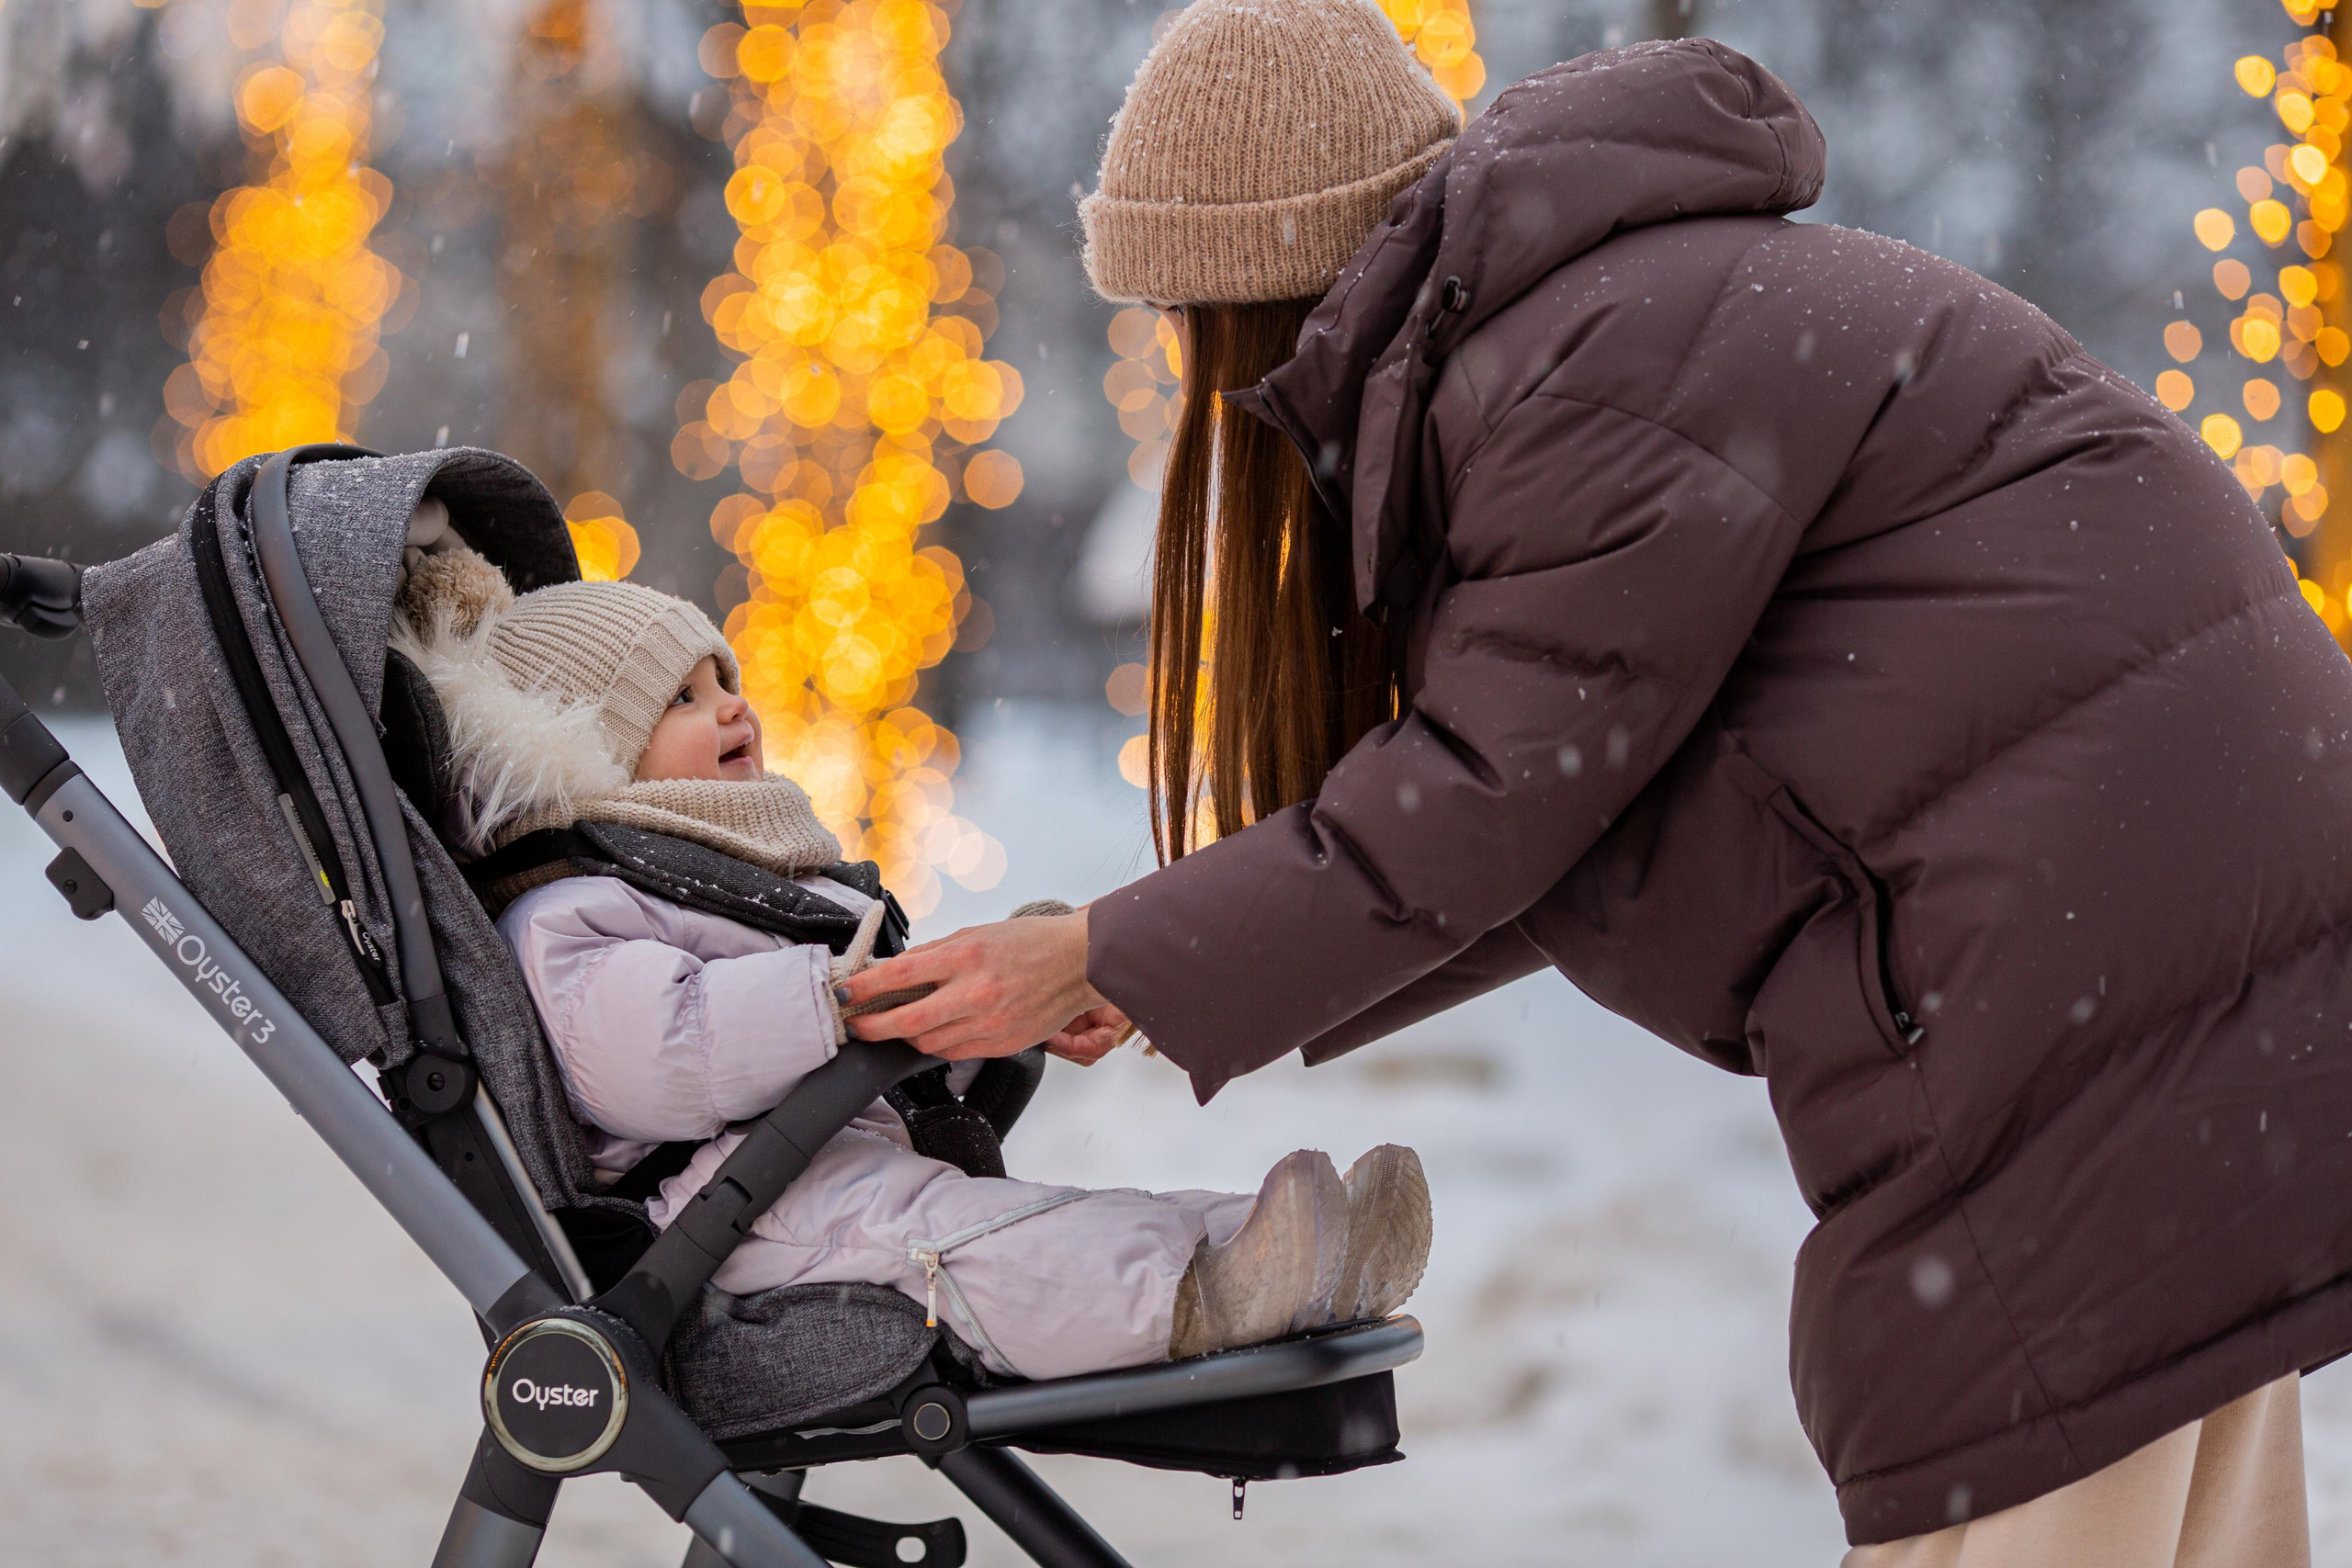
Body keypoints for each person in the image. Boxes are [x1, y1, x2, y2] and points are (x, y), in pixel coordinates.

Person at [834, 4, 2352, 1561]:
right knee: (2175, 1477)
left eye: (1180, 325)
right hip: (2187, 915)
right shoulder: (1598, 326)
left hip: (2085, 946)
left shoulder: (1583, 371)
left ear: (1258, 288)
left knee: (2011, 1430)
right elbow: (1567, 809)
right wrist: (1158, 969)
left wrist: (1109, 947)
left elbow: (1492, 790)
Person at [387, 533, 1432, 1382]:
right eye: (682, 698)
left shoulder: (716, 883)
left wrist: (987, 1001)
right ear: (590, 746)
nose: (734, 706)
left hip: (811, 1169)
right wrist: (834, 1002)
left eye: (726, 679)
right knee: (973, 1244)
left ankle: (1277, 1248)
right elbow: (658, 1054)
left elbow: (826, 1031)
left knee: (1030, 1217)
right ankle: (1205, 1295)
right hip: (722, 1223)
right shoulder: (569, 911)